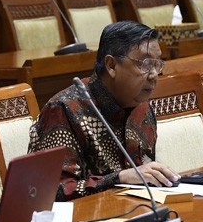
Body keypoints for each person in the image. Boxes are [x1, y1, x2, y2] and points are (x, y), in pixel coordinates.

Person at [29, 20, 179, 200]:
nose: (154, 74)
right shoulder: (63, 110)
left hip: (134, 211)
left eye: (157, 64)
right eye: (145, 64)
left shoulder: (142, 107)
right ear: (112, 66)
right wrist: (118, 178)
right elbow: (50, 191)